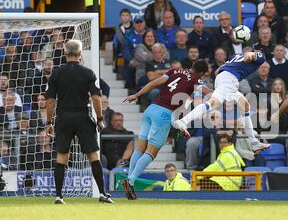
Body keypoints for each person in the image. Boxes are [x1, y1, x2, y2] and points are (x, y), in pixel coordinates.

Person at [121, 60, 209, 200]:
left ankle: (130, 183)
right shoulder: (196, 81)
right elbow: (209, 94)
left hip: (151, 108)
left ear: (192, 65)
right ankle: (130, 181)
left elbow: (154, 83)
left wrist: (136, 95)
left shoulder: (175, 71)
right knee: (151, 153)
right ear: (203, 73)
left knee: (139, 149)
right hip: (163, 114)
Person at [45, 40, 112, 204]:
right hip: (82, 117)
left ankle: (59, 196)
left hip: (63, 117)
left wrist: (49, 122)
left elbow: (50, 101)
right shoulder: (88, 73)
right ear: (80, 54)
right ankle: (102, 194)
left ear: (65, 53)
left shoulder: (56, 73)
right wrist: (100, 118)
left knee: (62, 156)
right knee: (93, 156)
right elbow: (96, 98)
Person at [173, 50, 272, 153]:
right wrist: (250, 55)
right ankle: (183, 121)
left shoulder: (237, 55)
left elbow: (218, 71)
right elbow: (250, 55)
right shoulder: (261, 57)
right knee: (211, 104)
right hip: (229, 80)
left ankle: (253, 142)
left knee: (245, 106)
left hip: (223, 78)